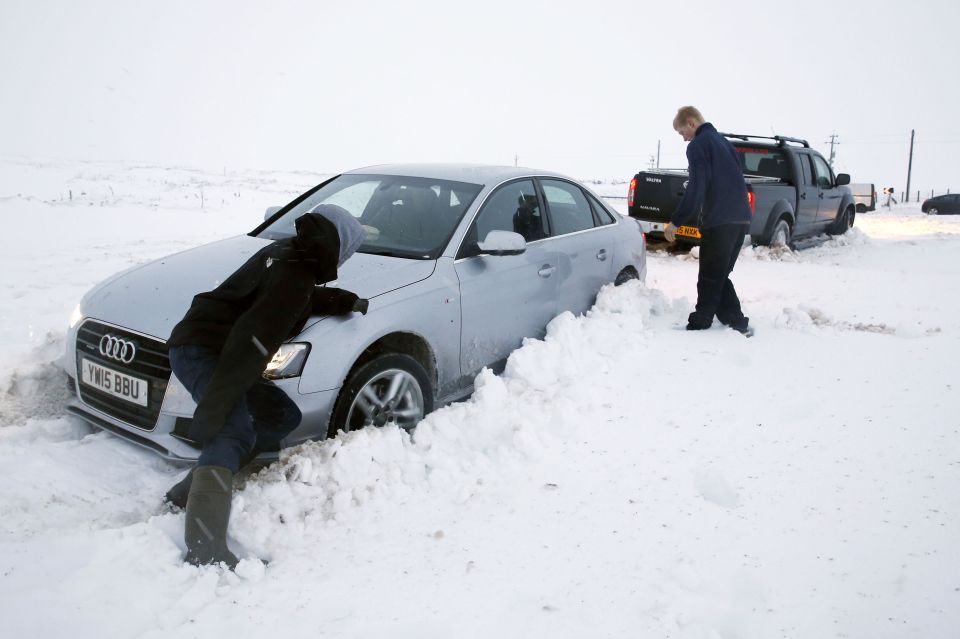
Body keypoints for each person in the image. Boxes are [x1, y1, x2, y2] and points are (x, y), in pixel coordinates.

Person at [165, 204, 369, 568]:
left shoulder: (292, 256)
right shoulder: (294, 273)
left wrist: (343, 301)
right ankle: (204, 549)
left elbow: (294, 297)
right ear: (339, 248)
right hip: (204, 350)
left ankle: (189, 491)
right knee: (232, 428)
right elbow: (249, 343)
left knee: (279, 414)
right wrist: (217, 407)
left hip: (213, 346)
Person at [664, 106, 753, 336]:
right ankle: (735, 320)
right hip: (741, 218)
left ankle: (701, 322)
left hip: (720, 220)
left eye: (682, 132)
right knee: (719, 273)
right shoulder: (724, 143)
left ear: (691, 123)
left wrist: (676, 221)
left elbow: (696, 187)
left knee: (710, 275)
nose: (684, 139)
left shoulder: (698, 145)